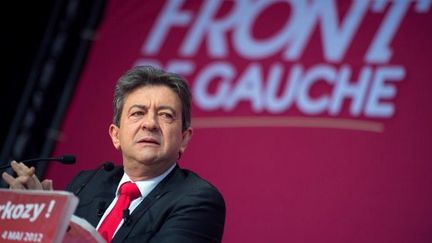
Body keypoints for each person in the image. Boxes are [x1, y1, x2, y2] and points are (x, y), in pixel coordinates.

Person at [2, 65, 226, 243]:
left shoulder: (198, 200)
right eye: (138, 113)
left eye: (166, 115)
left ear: (184, 139)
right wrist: (42, 217)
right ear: (116, 135)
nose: (150, 124)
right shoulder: (87, 184)